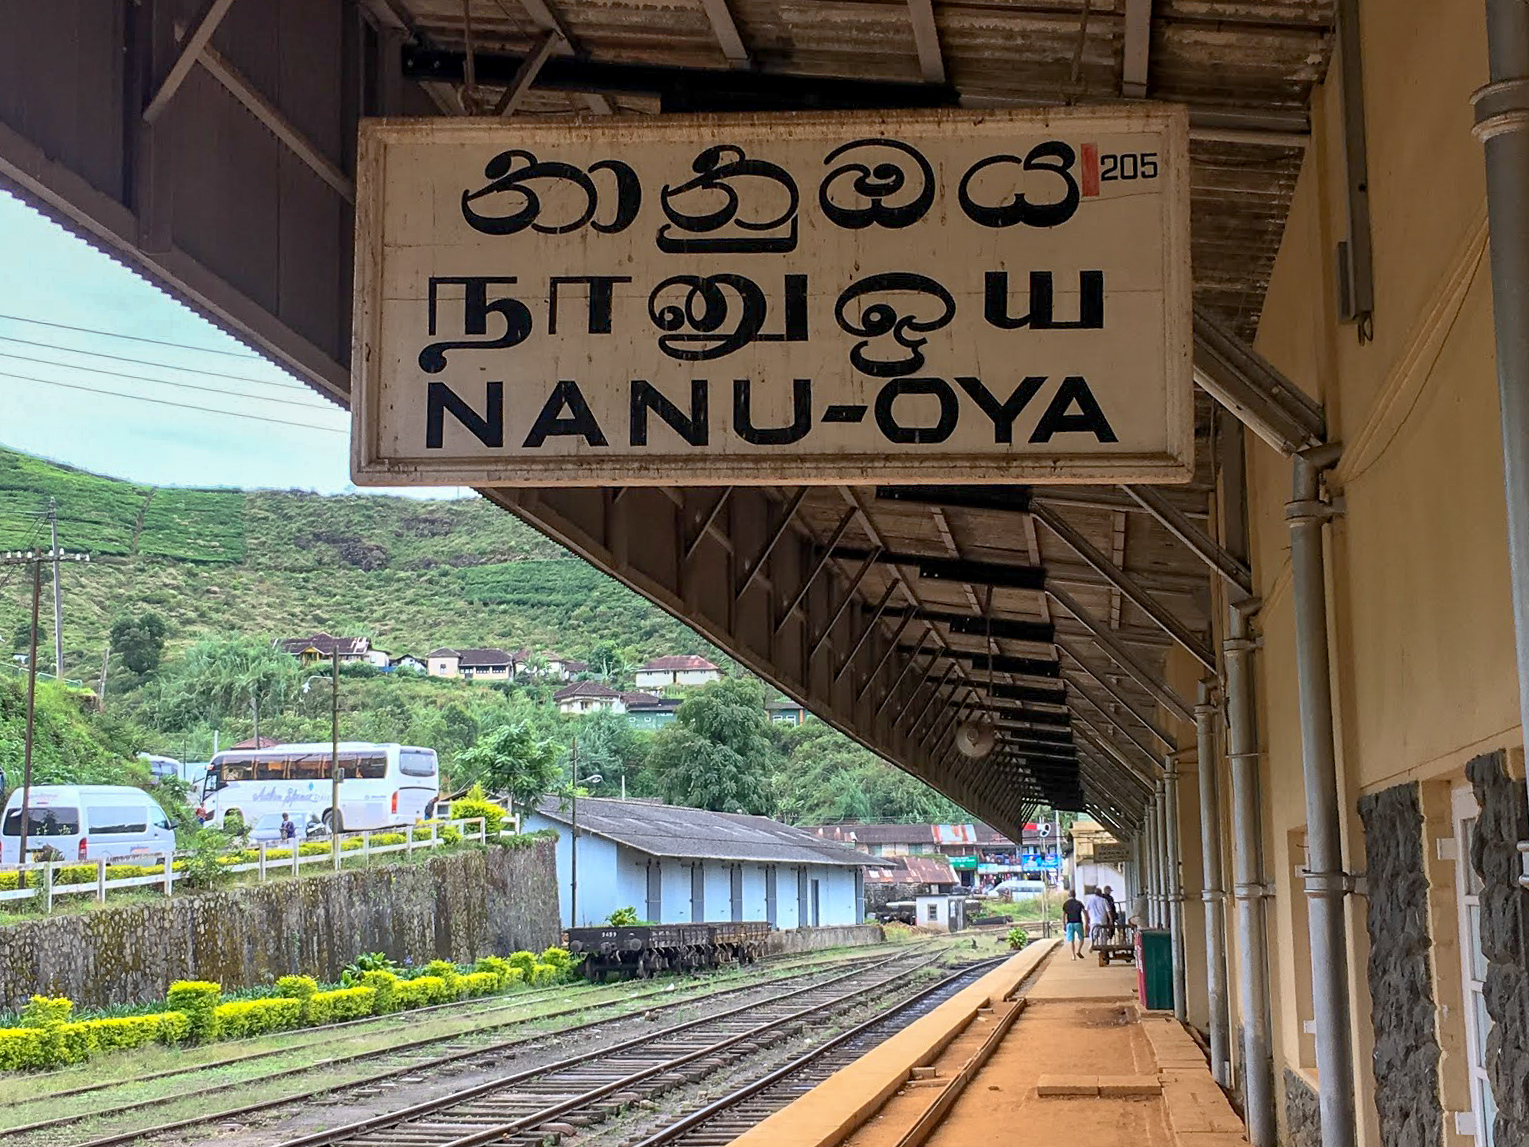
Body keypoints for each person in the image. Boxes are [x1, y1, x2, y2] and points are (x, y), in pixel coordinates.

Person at [1084, 885, 1112, 950]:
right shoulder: (1104, 900)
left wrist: (1087, 920)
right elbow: (1108, 911)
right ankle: (1103, 946)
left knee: (1093, 933)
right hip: (1102, 920)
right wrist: (1110, 919)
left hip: (1093, 920)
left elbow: (1086, 910)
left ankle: (1092, 943)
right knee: (1103, 935)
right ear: (1100, 893)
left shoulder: (1090, 900)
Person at [1061, 887, 1086, 959]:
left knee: (1071, 939)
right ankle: (1078, 950)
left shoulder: (1066, 904)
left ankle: (1073, 955)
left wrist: (1064, 924)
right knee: (1081, 938)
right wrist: (1087, 922)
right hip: (1078, 922)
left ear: (1069, 895)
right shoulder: (1079, 903)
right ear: (1075, 895)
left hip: (1070, 923)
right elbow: (1085, 912)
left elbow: (1064, 915)